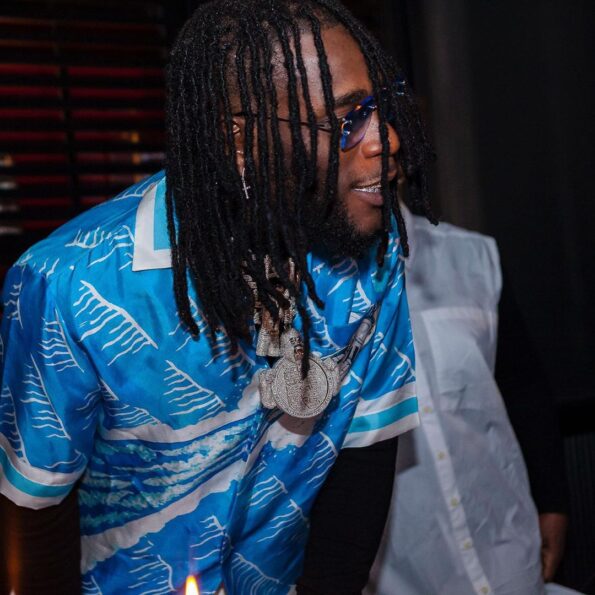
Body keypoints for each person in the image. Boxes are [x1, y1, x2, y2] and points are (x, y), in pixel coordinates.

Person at [0, 1, 435, 593]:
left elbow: (362, 465)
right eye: (348, 118)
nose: (387, 139)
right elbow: (37, 511)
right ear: (240, 140)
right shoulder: (71, 284)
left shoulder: (370, 252)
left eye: (383, 106)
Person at [366, 205, 574, 595]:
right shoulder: (305, 283)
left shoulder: (473, 256)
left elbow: (523, 388)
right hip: (400, 569)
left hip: (507, 548)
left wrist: (552, 501)